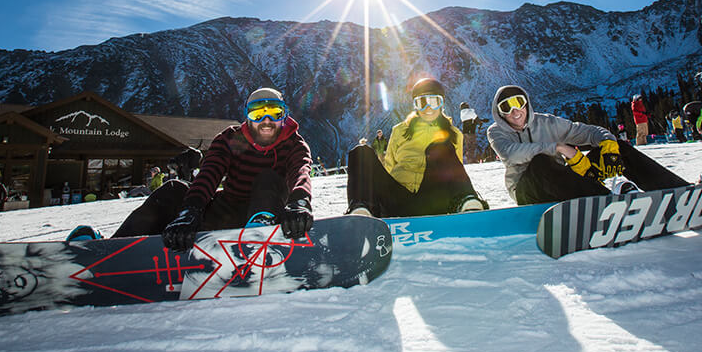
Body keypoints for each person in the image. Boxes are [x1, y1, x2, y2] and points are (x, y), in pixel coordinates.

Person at [108, 87, 314, 250]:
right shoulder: (232, 139)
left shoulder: (294, 143)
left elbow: (300, 172)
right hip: (227, 211)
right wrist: (191, 209)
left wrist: (299, 202)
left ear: (284, 116)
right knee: (174, 188)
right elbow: (210, 173)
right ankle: (111, 247)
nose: (266, 121)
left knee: (268, 178)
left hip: (270, 214)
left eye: (275, 113)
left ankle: (259, 233)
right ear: (247, 117)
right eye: (258, 114)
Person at [487, 85, 692, 205]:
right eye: (507, 106)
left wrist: (609, 142)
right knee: (541, 162)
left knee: (619, 147)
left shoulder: (547, 122)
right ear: (500, 112)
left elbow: (585, 131)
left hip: (563, 182)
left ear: (526, 103)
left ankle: (680, 192)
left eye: (518, 102)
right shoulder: (496, 131)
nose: (515, 111)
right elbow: (510, 154)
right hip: (527, 190)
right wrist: (557, 148)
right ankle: (606, 203)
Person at [346, 77, 487, 217]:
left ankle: (467, 203)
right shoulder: (400, 131)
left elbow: (454, 169)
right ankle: (362, 210)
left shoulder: (454, 134)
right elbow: (389, 167)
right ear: (415, 106)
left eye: (434, 102)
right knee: (360, 152)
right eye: (422, 103)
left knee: (440, 147)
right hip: (396, 200)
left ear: (442, 104)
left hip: (433, 200)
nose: (428, 108)